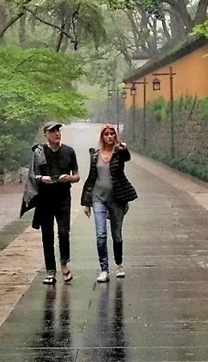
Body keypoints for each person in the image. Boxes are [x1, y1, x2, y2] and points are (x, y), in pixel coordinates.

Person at [81, 123, 137, 282]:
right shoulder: (95, 155)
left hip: (117, 199)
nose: (110, 137)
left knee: (117, 235)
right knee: (101, 235)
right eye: (106, 134)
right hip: (98, 198)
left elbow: (127, 158)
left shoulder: (119, 153)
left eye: (112, 134)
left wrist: (124, 149)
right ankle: (104, 269)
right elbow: (91, 178)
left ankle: (119, 264)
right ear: (102, 137)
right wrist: (87, 202)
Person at [31, 122, 80, 285]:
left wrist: (69, 178)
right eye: (52, 131)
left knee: (64, 232)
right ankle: (50, 271)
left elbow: (77, 176)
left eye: (58, 130)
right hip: (45, 198)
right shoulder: (39, 152)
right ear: (45, 134)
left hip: (63, 197)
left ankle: (64, 265)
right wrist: (41, 178)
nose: (56, 133)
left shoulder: (69, 151)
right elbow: (33, 175)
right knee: (47, 234)